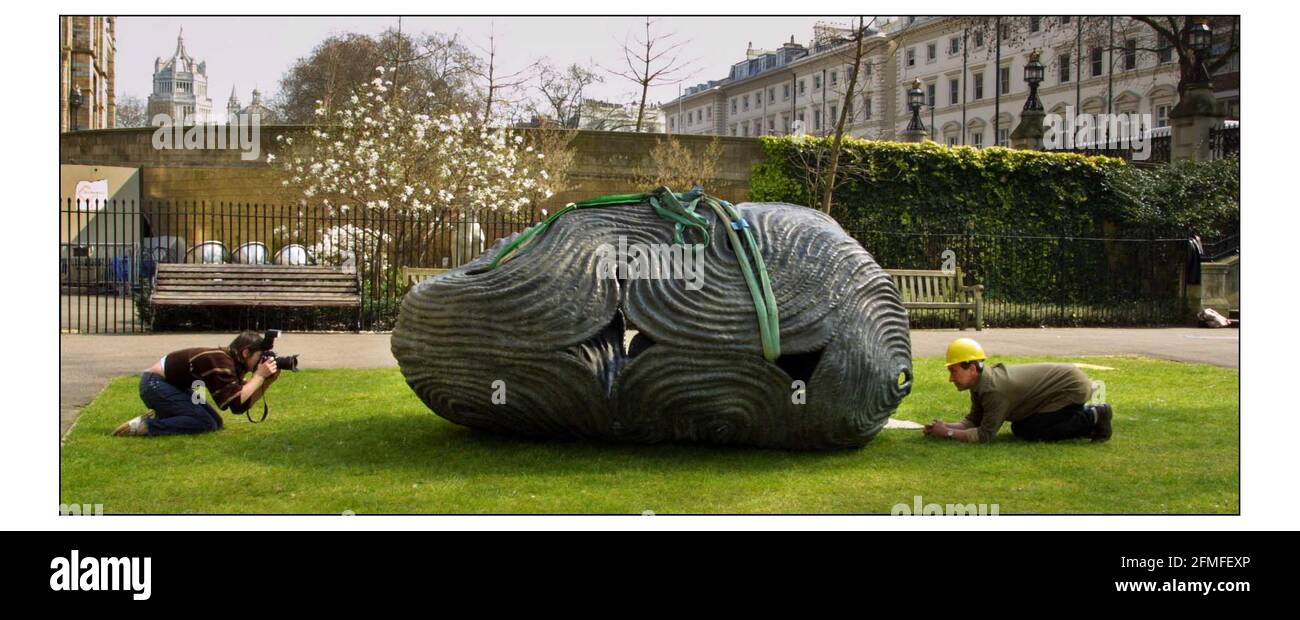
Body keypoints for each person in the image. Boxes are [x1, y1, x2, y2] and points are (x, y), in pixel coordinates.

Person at [922, 338, 1113, 444]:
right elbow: (974, 420)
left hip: (1071, 387)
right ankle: (1087, 421)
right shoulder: (979, 383)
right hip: (1062, 385)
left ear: (971, 368)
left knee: (1032, 431)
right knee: (1021, 428)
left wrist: (947, 433)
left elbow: (984, 435)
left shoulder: (994, 390)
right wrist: (945, 426)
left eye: (953, 371)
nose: (951, 378)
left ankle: (1095, 415)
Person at [113, 331, 280, 437]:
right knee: (204, 423)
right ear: (245, 353)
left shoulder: (229, 363)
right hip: (155, 385)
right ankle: (147, 426)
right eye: (259, 357)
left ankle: (165, 414)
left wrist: (266, 381)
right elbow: (234, 400)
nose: (261, 361)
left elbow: (238, 406)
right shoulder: (219, 360)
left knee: (215, 423)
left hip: (180, 387)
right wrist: (258, 376)